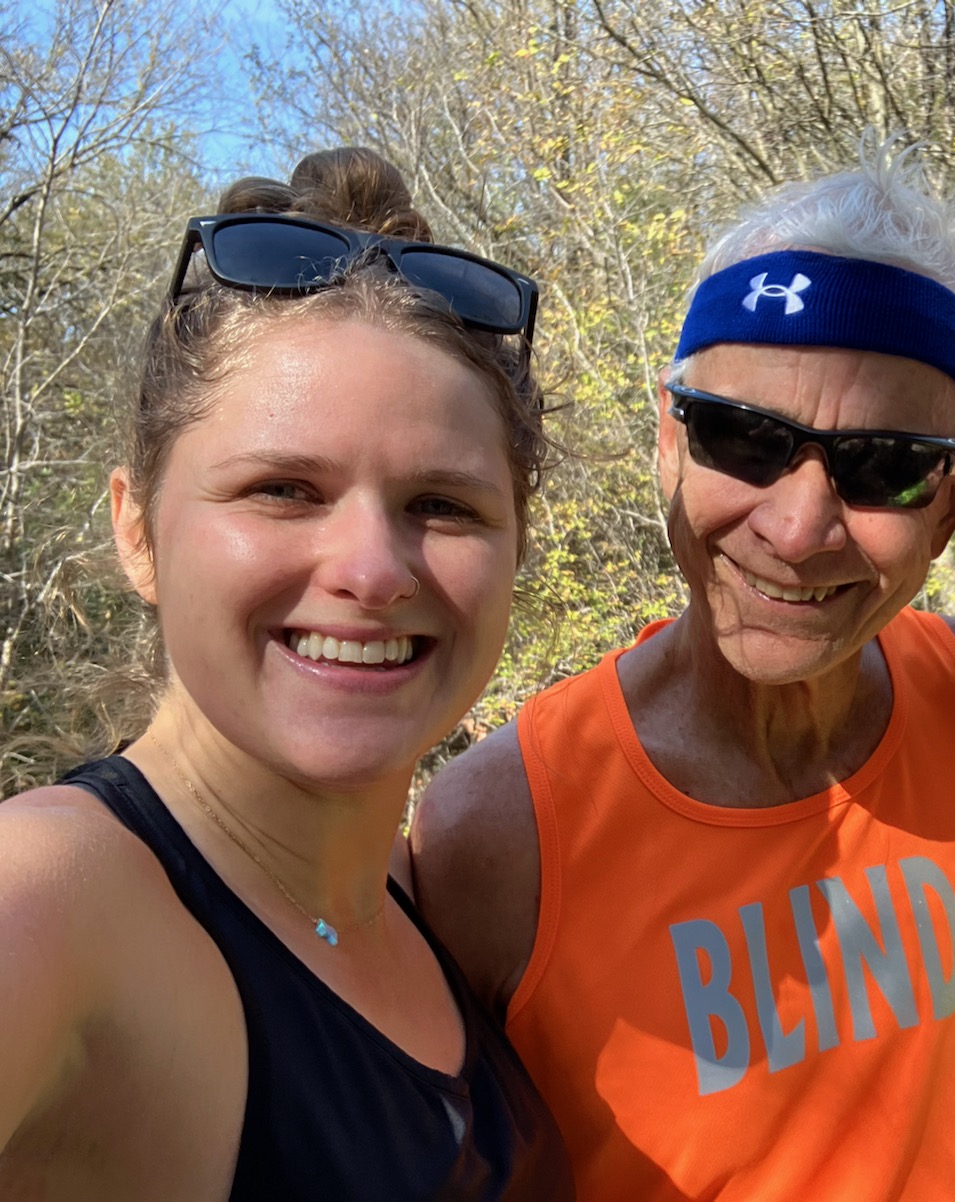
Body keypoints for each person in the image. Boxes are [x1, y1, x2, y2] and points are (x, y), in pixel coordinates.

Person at [411, 143, 955, 1200]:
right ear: (668, 436)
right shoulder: (501, 828)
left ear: (954, 498)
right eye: (743, 438)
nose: (798, 530)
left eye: (885, 466)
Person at [0, 148, 573, 1200]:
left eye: (442, 505)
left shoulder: (414, 901)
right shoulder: (56, 896)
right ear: (137, 530)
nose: (370, 569)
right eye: (283, 488)